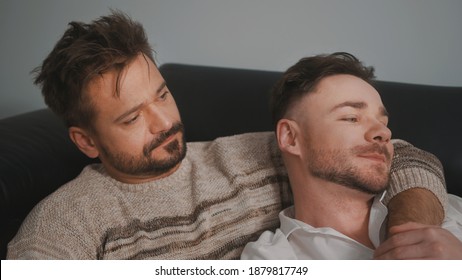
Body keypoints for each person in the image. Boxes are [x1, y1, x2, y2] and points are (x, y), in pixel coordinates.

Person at [6, 12, 447, 260]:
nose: (163, 123)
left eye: (162, 94)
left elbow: (402, 154)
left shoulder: (247, 155)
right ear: (86, 141)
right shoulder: (67, 220)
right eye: (131, 118)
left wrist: (412, 230)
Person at [241, 52, 462, 259]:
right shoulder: (271, 258)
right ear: (290, 137)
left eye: (383, 122)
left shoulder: (449, 207)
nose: (384, 133)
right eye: (351, 118)